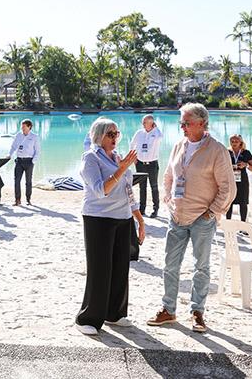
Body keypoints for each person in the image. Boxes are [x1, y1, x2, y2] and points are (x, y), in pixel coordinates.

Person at [147, 103, 235, 333]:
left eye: (186, 123)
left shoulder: (216, 150)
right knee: (170, 265)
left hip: (202, 219)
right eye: (181, 123)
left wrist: (212, 212)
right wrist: (168, 199)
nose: (182, 127)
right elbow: (168, 175)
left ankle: (198, 312)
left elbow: (228, 188)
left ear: (202, 123)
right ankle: (168, 310)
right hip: (176, 216)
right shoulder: (178, 145)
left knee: (201, 267)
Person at [75, 118, 144, 336]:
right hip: (99, 218)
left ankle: (114, 313)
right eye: (110, 134)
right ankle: (87, 318)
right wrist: (122, 168)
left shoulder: (117, 157)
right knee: (100, 269)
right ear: (99, 135)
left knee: (119, 268)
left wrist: (140, 220)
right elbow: (100, 190)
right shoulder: (91, 158)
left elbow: (127, 191)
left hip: (123, 218)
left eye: (117, 134)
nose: (115, 138)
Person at [129, 114, 163, 217]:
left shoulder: (156, 134)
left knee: (154, 187)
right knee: (142, 187)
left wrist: (155, 127)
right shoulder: (139, 133)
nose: (143, 124)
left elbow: (161, 136)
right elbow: (132, 145)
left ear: (151, 123)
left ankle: (155, 209)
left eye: (145, 122)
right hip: (140, 164)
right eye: (143, 122)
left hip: (152, 164)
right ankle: (142, 209)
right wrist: (134, 158)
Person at [9, 119, 41, 206]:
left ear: (29, 127)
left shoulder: (34, 137)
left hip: (29, 161)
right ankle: (17, 200)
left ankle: (28, 199)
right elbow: (13, 146)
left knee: (28, 181)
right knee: (17, 181)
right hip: (19, 161)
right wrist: (9, 155)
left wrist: (33, 162)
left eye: (24, 126)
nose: (22, 128)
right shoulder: (18, 135)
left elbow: (37, 151)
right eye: (21, 126)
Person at [226, 134, 252, 222]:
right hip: (230, 181)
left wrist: (246, 165)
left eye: (236, 141)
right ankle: (228, 223)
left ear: (241, 142)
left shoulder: (246, 153)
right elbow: (220, 166)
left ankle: (243, 225)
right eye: (232, 141)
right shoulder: (227, 152)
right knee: (229, 202)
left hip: (242, 181)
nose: (234, 143)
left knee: (243, 203)